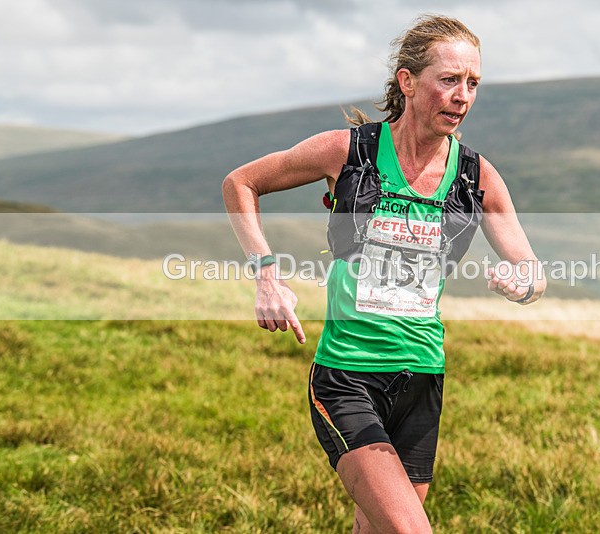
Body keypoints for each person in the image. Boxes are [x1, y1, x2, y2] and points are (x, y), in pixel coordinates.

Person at [223, 14, 545, 533]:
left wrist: (521, 284)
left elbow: (531, 270)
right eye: (449, 80)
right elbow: (241, 183)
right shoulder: (348, 152)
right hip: (349, 376)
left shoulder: (476, 176)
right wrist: (266, 274)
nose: (462, 95)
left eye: (473, 83)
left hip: (422, 378)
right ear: (407, 81)